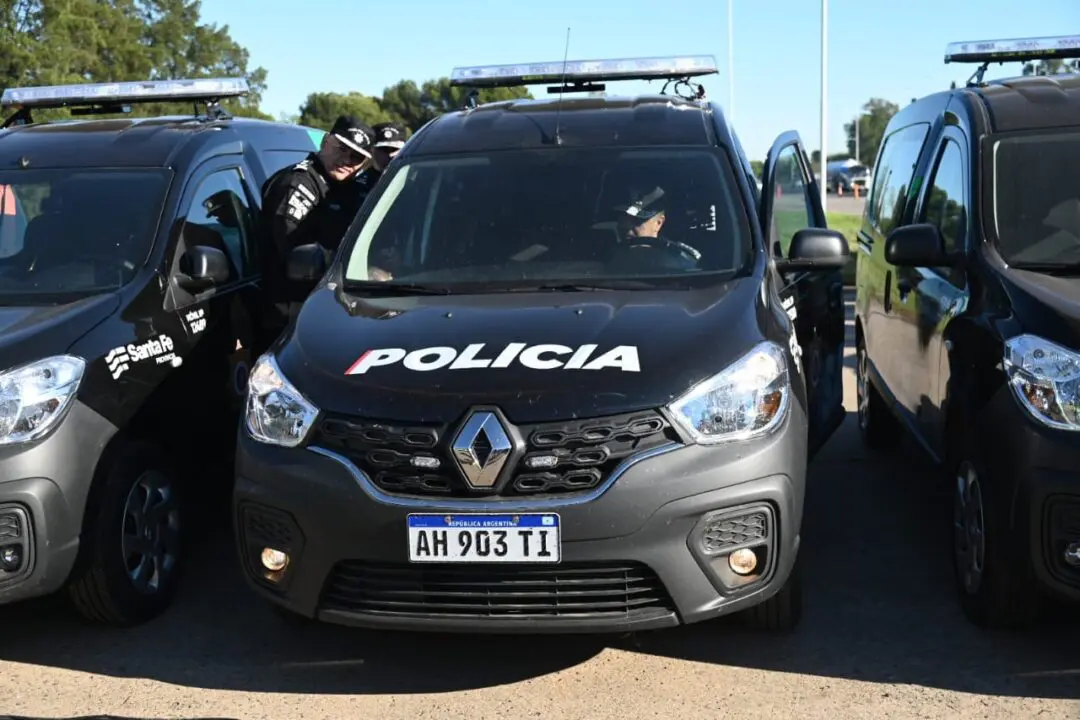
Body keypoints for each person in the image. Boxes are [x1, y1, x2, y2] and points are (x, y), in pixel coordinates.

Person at [258, 115, 376, 327]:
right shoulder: (298, 183)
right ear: (325, 142)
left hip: (327, 305)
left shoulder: (345, 189)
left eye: (357, 157)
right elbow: (293, 251)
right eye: (342, 148)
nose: (347, 160)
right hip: (291, 313)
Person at [612, 185, 701, 271]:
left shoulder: (679, 260)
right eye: (622, 218)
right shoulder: (605, 257)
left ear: (659, 223)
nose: (626, 226)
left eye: (637, 221)